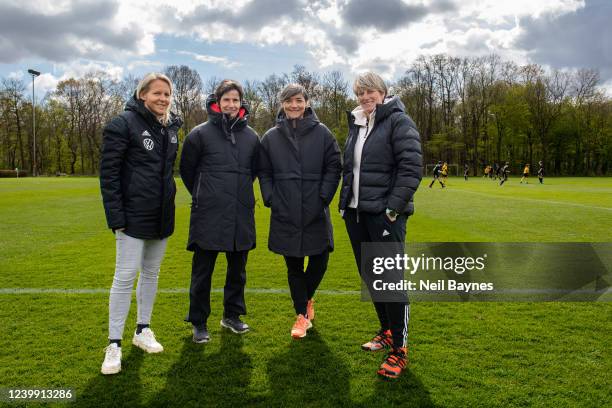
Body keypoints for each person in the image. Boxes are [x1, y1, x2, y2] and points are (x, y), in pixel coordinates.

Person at [338, 72, 422, 379]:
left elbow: (412, 168)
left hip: (384, 216)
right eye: (360, 92)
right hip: (356, 214)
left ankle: (399, 350)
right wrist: (345, 203)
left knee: (390, 278)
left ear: (383, 92)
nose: (364, 97)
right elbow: (351, 170)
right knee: (372, 277)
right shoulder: (357, 124)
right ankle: (386, 331)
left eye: (370, 91)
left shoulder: (399, 121)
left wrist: (392, 209)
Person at [99, 73, 182, 375]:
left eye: (167, 94)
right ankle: (114, 345)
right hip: (132, 217)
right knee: (124, 277)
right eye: (157, 93)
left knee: (151, 274)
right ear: (142, 94)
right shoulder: (123, 123)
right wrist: (116, 217)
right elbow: (108, 176)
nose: (163, 99)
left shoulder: (171, 128)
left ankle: (142, 331)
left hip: (161, 216)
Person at [258, 84, 341, 339]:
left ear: (306, 102)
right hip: (285, 211)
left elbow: (334, 166)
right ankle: (302, 316)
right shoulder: (271, 136)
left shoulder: (323, 133)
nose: (293, 105)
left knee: (321, 259)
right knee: (293, 265)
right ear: (281, 104)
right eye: (288, 101)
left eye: (298, 100)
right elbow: (265, 171)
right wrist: (271, 198)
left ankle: (307, 301)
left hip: (315, 209)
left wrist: (323, 197)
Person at [180, 80, 259, 343]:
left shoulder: (252, 137)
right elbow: (188, 173)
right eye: (226, 99)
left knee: (238, 271)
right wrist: (207, 195)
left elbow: (255, 173)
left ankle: (232, 316)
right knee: (203, 272)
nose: (231, 104)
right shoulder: (199, 134)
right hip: (208, 214)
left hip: (240, 214)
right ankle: (199, 322)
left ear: (241, 103)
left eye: (235, 100)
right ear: (217, 101)